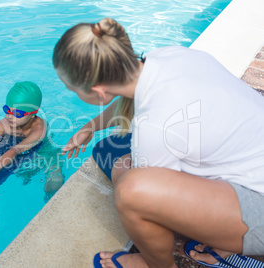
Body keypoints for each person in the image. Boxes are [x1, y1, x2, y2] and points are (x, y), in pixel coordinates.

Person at [53, 18, 264, 268]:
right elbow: (131, 97)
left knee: (131, 190)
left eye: (72, 89)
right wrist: (90, 127)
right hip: (252, 165)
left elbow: (151, 194)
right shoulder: (167, 56)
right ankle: (225, 235)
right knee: (128, 166)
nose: (72, 92)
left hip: (258, 202)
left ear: (98, 91)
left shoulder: (154, 125)